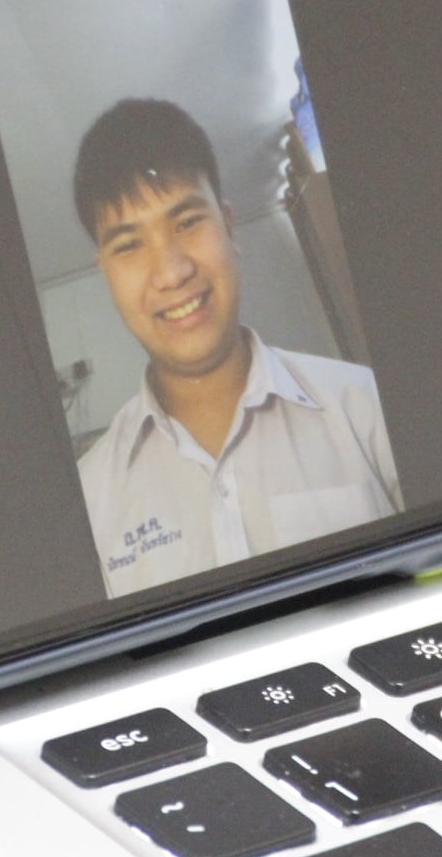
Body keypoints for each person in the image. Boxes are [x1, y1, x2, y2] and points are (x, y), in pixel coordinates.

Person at [71, 98, 402, 598]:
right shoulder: (89, 501)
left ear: (228, 226)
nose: (172, 272)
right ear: (108, 275)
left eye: (187, 222)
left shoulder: (368, 408)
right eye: (129, 245)